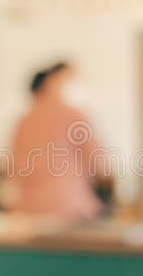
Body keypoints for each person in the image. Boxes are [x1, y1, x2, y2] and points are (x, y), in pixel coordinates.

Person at [8, 61, 106, 221]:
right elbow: (100, 164)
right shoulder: (74, 116)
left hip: (26, 210)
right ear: (55, 82)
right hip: (69, 209)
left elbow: (12, 167)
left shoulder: (23, 122)